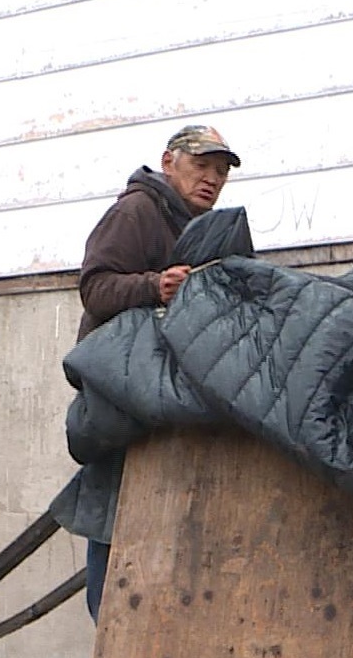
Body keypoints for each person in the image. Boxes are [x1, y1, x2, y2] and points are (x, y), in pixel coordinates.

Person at [74, 124, 242, 619]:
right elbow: (95, 288)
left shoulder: (208, 229)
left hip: (163, 390)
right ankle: (109, 627)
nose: (211, 179)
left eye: (220, 171)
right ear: (169, 162)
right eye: (200, 166)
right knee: (114, 507)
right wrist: (155, 286)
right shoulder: (137, 210)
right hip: (120, 387)